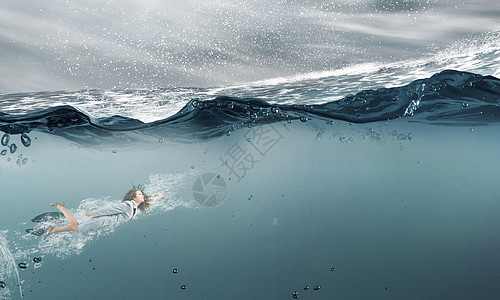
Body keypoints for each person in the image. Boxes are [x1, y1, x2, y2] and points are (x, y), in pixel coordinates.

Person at [43, 185, 164, 240]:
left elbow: (149, 200)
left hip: (102, 221)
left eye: (142, 194)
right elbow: (111, 209)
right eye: (139, 194)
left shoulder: (135, 208)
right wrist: (95, 213)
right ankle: (62, 207)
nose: (142, 195)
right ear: (133, 198)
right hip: (100, 220)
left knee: (78, 225)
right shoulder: (128, 205)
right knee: (78, 228)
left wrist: (158, 197)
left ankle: (54, 230)